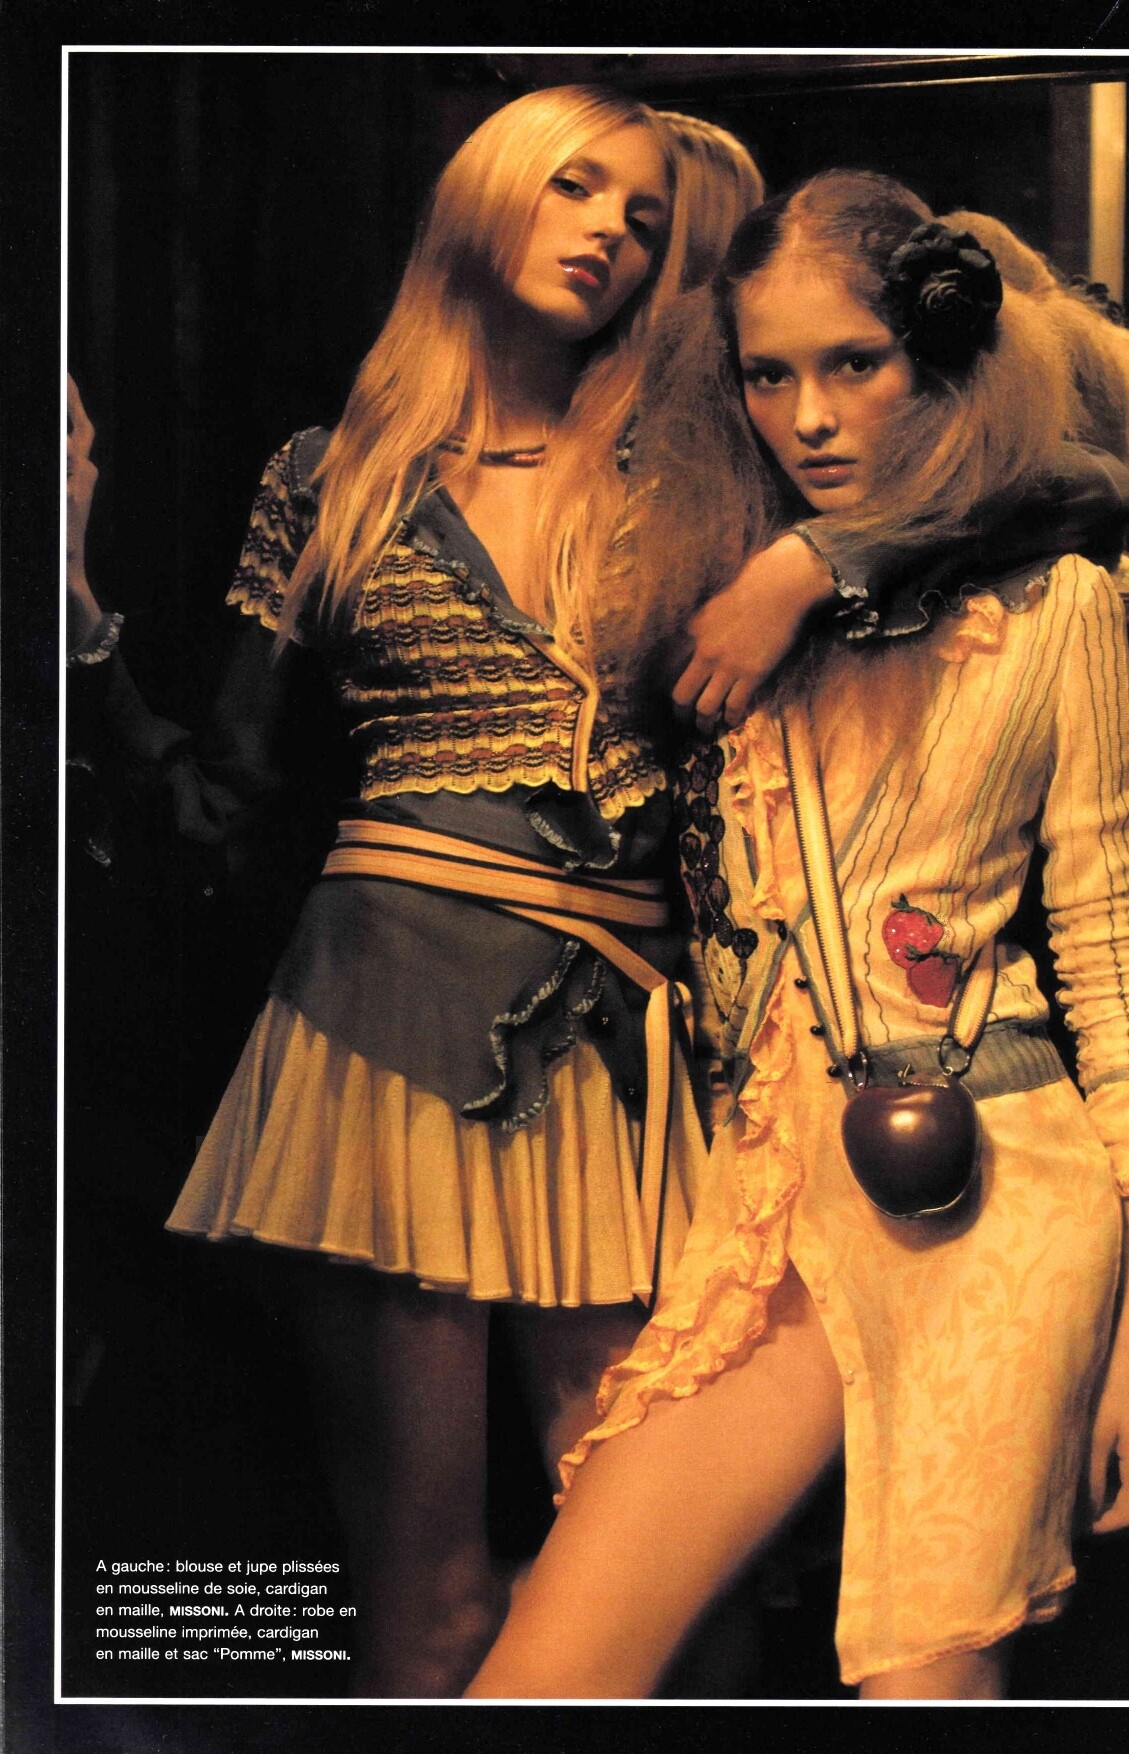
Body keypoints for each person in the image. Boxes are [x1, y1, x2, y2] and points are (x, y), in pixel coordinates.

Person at [64, 86, 782, 1698]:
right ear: (486, 190)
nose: (606, 233)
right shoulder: (333, 477)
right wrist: (81, 617)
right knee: (425, 1591)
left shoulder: (694, 464)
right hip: (377, 1023)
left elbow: (1033, 474)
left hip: (621, 1047)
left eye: (643, 219)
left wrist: (812, 563)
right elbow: (213, 804)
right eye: (576, 186)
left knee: (664, 1586)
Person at [466, 171, 1129, 1701]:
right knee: (544, 1676)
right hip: (772, 1197)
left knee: (925, 1687)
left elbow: (1115, 956)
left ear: (933, 358)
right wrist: (789, 572)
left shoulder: (1051, 600)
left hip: (999, 1192)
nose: (807, 415)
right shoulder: (724, 601)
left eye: (853, 363)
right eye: (767, 373)